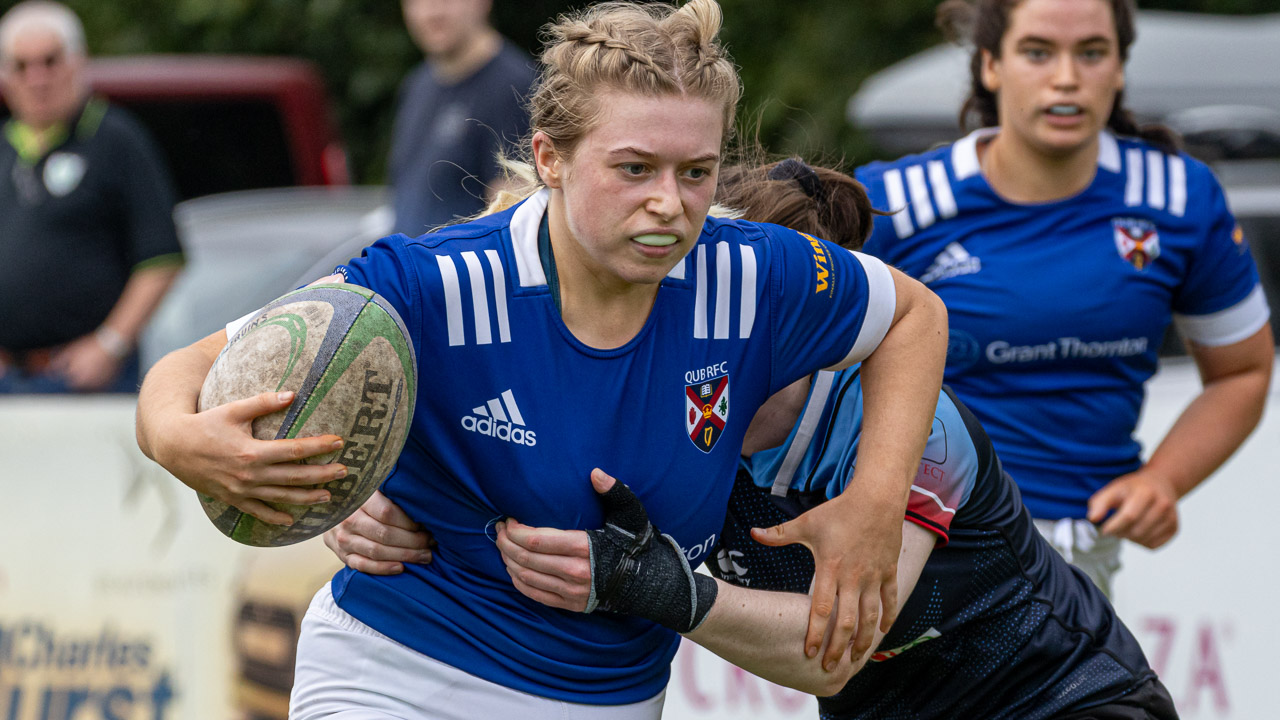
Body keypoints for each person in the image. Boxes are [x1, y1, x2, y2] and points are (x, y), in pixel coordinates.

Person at [134, 2, 949, 717]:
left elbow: (915, 314)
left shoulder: (751, 273)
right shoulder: (439, 283)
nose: (670, 202)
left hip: (609, 699)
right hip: (392, 669)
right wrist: (175, 438)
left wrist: (875, 507)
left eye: (695, 172)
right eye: (634, 169)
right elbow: (190, 367)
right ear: (550, 159)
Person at [331, 158, 1180, 718]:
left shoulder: (906, 428)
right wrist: (369, 499)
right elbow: (487, 420)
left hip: (1064, 697)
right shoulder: (647, 397)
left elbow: (831, 656)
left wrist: (663, 591)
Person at [853, 0, 1273, 595]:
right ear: (991, 65)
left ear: (1120, 68)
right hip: (925, 540)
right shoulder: (898, 199)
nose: (1068, 77)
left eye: (1092, 52)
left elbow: (1244, 371)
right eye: (1038, 52)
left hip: (1082, 557)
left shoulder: (1179, 198)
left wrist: (1162, 482)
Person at [0, 0, 184, 393]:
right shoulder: (3, 147)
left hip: (89, 377)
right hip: (9, 378)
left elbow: (162, 258)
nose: (37, 77)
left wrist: (110, 345)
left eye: (50, 61)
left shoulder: (116, 138)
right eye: (21, 65)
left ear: (77, 61)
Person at [390, 0, 536, 235]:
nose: (431, 12)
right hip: (408, 269)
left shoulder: (515, 89)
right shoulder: (416, 86)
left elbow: (515, 223)